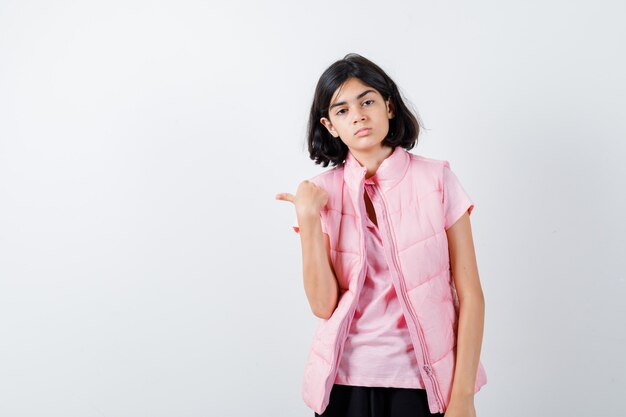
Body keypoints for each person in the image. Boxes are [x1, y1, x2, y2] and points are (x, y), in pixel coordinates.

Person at [275, 53, 487, 417]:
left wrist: (463, 395)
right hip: (343, 384)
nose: (357, 115)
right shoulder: (319, 193)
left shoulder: (437, 181)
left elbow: (470, 295)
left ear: (388, 106)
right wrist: (308, 221)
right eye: (342, 110)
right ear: (329, 126)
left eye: (367, 101)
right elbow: (323, 305)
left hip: (424, 384)